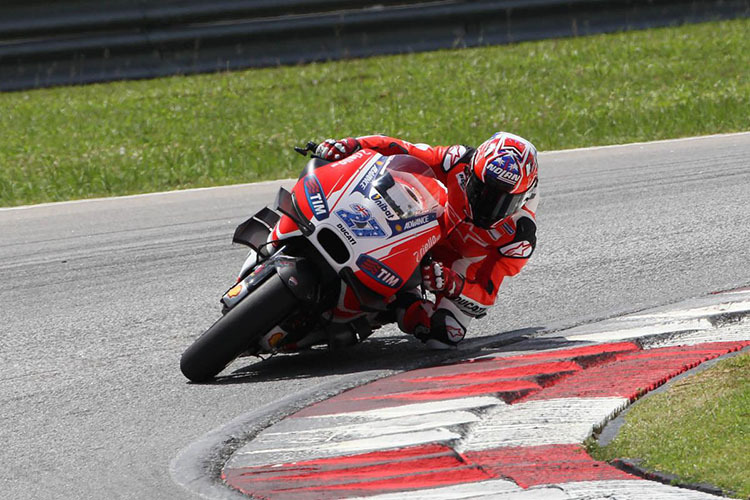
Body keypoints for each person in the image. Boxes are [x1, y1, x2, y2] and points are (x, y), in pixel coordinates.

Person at [314, 133, 540, 349]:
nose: (489, 205)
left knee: (443, 334)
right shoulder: (457, 161)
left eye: (504, 201)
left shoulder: (520, 236)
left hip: (458, 267)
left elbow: (486, 294)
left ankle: (403, 300)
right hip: (427, 228)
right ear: (471, 172)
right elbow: (403, 149)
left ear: (525, 196)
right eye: (482, 190)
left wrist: (453, 284)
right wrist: (353, 145)